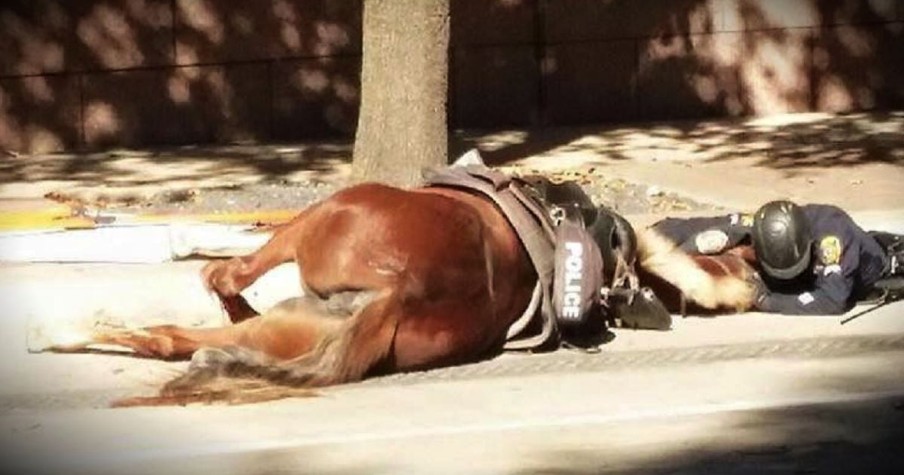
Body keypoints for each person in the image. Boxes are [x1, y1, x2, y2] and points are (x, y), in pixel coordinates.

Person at [651, 200, 903, 315]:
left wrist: (767, 300)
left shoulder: (832, 241)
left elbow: (833, 300)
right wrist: (663, 243)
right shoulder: (764, 222)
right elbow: (702, 224)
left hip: (876, 267)